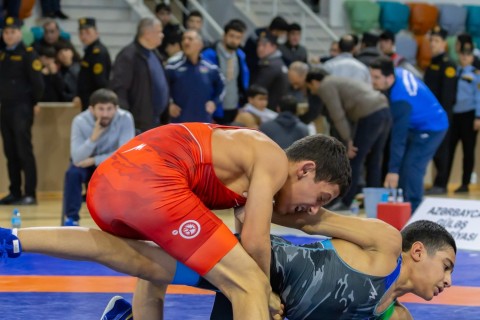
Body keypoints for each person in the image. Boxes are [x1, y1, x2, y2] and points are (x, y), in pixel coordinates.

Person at [0, 128, 351, 320]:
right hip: (151, 181)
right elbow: (257, 245)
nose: (309, 210)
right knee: (249, 284)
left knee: (151, 266)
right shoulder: (273, 159)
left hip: (107, 187)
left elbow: (244, 239)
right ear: (305, 169)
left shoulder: (247, 169)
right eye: (319, 198)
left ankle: (12, 239)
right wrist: (268, 295)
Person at [105, 216, 456, 320]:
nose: (449, 281)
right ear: (419, 251)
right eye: (446, 266)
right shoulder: (384, 243)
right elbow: (310, 218)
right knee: (147, 256)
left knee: (152, 259)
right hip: (264, 264)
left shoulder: (397, 317)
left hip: (272, 304)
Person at [370, 57, 448, 212]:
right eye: (371, 76)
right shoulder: (398, 71)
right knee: (405, 166)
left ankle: (415, 210)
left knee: (412, 167)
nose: (373, 81)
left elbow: (398, 139)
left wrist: (393, 170)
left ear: (390, 77)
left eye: (377, 78)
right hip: (418, 123)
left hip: (432, 127)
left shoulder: (401, 100)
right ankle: (405, 207)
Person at [305, 68, 391, 210]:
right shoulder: (338, 80)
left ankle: (345, 201)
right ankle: (374, 204)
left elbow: (337, 115)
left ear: (314, 82)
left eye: (310, 87)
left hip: (369, 114)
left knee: (354, 159)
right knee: (375, 159)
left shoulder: (326, 85)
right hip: (384, 110)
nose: (312, 91)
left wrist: (348, 140)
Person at [62, 89, 135, 226]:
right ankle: (72, 219)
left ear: (116, 108)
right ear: (91, 109)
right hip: (85, 165)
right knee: (72, 173)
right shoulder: (80, 121)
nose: (105, 114)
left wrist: (95, 160)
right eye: (101, 109)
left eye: (109, 109)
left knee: (127, 173)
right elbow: (77, 158)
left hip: (111, 165)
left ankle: (119, 219)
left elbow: (125, 154)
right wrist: (93, 138)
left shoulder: (125, 118)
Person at [0, 17, 44, 205]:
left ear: (19, 33)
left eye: (12, 32)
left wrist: (35, 102)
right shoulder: (2, 54)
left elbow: (38, 83)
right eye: (6, 32)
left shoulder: (28, 53)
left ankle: (30, 193)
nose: (9, 35)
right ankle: (15, 191)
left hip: (22, 108)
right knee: (10, 151)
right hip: (5, 108)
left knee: (23, 150)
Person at [110, 17, 170, 133]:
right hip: (138, 125)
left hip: (156, 122)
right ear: (147, 34)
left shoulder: (154, 53)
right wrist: (126, 122)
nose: (162, 35)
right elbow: (119, 89)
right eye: (159, 32)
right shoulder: (128, 56)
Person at [424, 26, 458, 195]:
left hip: (442, 114)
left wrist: (442, 115)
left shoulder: (448, 64)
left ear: (444, 43)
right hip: (431, 114)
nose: (432, 44)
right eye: (431, 40)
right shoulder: (432, 63)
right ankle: (437, 182)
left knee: (442, 150)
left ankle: (442, 183)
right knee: (435, 149)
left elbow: (447, 94)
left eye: (436, 41)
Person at [166, 29, 225, 123]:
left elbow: (222, 86)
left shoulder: (211, 68)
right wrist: (169, 104)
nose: (186, 42)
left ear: (200, 44)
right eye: (183, 39)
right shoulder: (172, 66)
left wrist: (214, 102)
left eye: (190, 39)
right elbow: (162, 89)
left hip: (203, 122)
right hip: (179, 122)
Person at [447, 43, 480, 194]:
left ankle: (465, 183)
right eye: (462, 54)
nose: (465, 57)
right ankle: (443, 180)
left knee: (468, 150)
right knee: (449, 149)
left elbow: (479, 96)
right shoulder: (455, 71)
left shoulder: (476, 74)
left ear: (472, 57)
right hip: (455, 115)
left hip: (469, 115)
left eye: (468, 54)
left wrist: (478, 116)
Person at [202, 19, 250, 124]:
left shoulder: (240, 56)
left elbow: (243, 81)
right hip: (213, 108)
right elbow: (203, 83)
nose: (234, 40)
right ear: (224, 35)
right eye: (231, 36)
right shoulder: (209, 54)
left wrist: (242, 103)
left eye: (238, 37)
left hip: (233, 107)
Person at [77, 17, 111, 111]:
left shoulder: (98, 53)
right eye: (81, 33)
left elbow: (100, 81)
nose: (83, 36)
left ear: (96, 32)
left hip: (94, 102)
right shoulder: (89, 50)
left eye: (87, 32)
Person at [251, 31, 289, 110]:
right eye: (258, 45)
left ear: (274, 46)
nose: (260, 48)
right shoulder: (278, 62)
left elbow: (257, 88)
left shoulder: (270, 66)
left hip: (268, 109)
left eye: (264, 45)